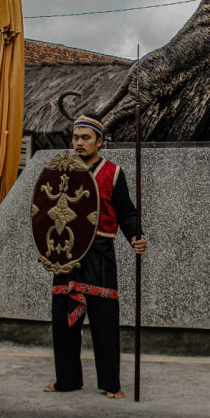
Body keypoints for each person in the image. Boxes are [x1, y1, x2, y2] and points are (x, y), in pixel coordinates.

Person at [43, 114, 147, 399]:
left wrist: (136, 236)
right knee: (63, 321)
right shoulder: (60, 172)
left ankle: (111, 384)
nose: (79, 143)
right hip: (64, 254)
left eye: (85, 138)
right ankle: (67, 380)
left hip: (100, 252)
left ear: (99, 141)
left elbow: (126, 212)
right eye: (75, 138)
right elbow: (43, 211)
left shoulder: (113, 172)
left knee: (104, 323)